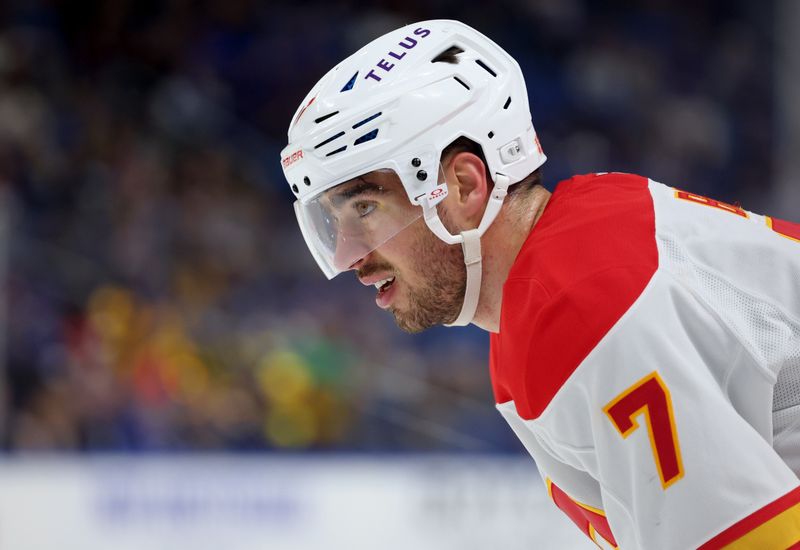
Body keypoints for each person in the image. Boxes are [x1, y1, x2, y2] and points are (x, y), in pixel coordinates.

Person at [280, 19, 800, 549]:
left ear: (463, 186)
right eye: (334, 222)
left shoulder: (583, 304)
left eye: (365, 208)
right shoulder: (554, 272)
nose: (349, 257)